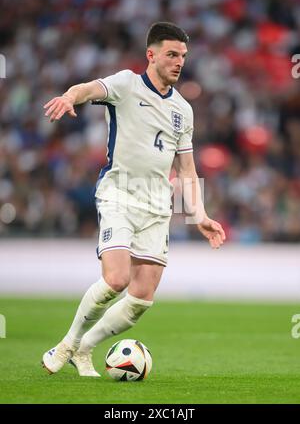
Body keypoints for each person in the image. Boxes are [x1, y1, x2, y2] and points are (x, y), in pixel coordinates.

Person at [42, 22, 226, 377]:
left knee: (141, 298)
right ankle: (67, 343)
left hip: (157, 206)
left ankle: (85, 348)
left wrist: (199, 214)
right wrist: (69, 96)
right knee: (116, 279)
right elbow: (88, 88)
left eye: (183, 56)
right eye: (172, 54)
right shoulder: (126, 84)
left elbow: (187, 170)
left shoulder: (183, 110)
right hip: (119, 194)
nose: (179, 63)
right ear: (151, 55)